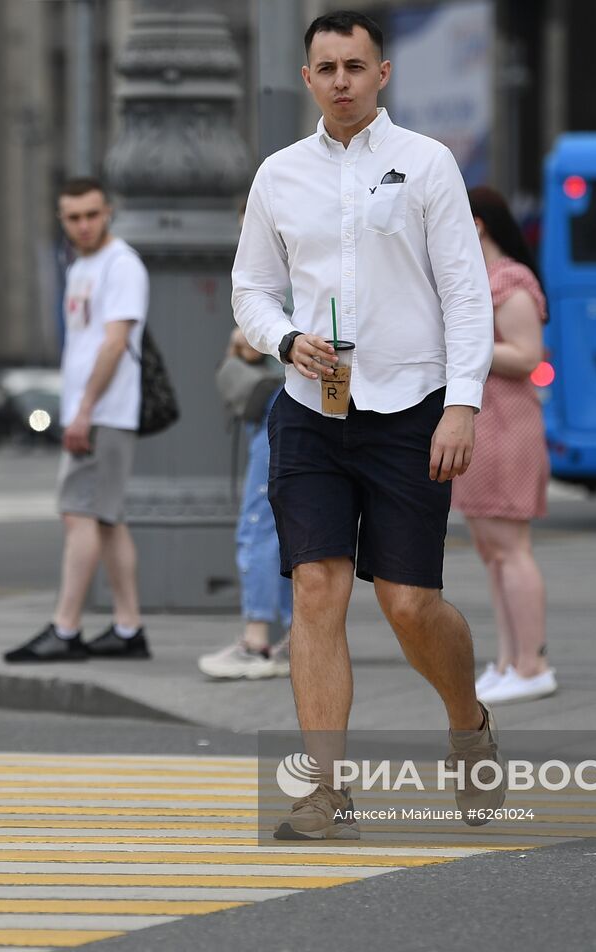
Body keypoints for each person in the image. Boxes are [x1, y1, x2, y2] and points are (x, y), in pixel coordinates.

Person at [232, 10, 501, 841]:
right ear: (307, 78)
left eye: (356, 65)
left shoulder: (426, 165)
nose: (342, 80)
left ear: (383, 74)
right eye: (327, 67)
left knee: (411, 603)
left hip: (411, 409)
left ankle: (468, 723)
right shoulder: (278, 174)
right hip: (312, 412)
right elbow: (251, 289)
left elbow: (465, 290)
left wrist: (463, 402)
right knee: (317, 589)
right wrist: (284, 338)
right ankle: (327, 791)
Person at [4, 178, 153, 663]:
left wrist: (84, 411)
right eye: (73, 217)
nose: (84, 225)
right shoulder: (82, 265)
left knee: (79, 515)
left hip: (103, 412)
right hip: (95, 412)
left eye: (92, 214)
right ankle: (129, 628)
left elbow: (114, 343)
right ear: (62, 220)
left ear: (108, 211)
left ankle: (65, 628)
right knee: (107, 520)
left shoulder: (121, 264)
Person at [452, 187, 555, 705]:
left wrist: (461, 346)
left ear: (477, 224)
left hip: (505, 421)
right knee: (492, 551)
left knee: (510, 549)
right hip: (481, 420)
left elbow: (527, 354)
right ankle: (508, 660)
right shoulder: (476, 280)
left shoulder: (509, 279)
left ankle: (531, 663)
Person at [198, 327, 293, 680]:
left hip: (281, 396)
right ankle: (297, 641)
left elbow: (254, 341)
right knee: (289, 527)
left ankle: (256, 642)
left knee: (260, 523)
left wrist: (241, 337)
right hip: (311, 397)